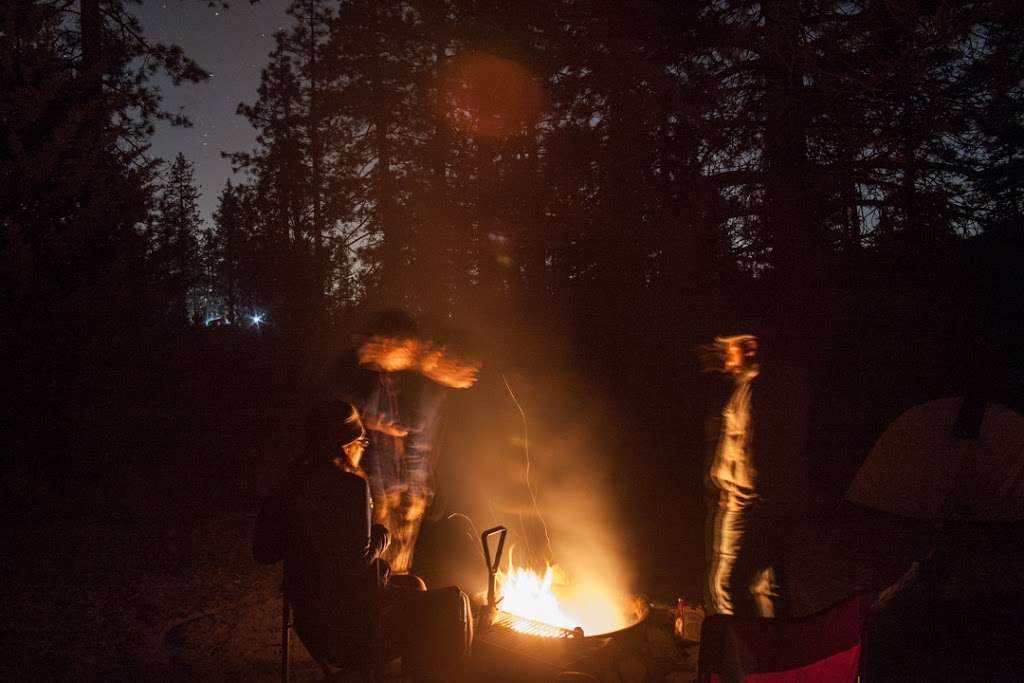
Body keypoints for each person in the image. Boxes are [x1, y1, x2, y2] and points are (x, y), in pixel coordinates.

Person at [253, 400, 433, 673]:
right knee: (444, 609)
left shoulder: (290, 478)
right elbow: (357, 563)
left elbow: (263, 552)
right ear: (346, 445)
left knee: (414, 584)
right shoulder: (351, 485)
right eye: (362, 442)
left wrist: (305, 537)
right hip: (351, 635)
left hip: (308, 622)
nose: (362, 449)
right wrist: (382, 535)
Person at [334, 309, 479, 573]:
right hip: (378, 487)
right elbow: (342, 407)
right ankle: (377, 594)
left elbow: (417, 444)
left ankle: (390, 595)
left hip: (399, 489)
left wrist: (412, 492)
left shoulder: (416, 384)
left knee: (396, 562)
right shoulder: (371, 374)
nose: (369, 349)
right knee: (375, 559)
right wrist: (369, 419)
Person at [703, 332, 814, 618]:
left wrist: (743, 497)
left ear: (751, 349)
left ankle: (744, 654)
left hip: (753, 504)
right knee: (771, 585)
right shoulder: (785, 383)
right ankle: (779, 649)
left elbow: (756, 454)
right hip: (783, 503)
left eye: (732, 349)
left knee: (729, 584)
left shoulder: (758, 391)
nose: (726, 356)